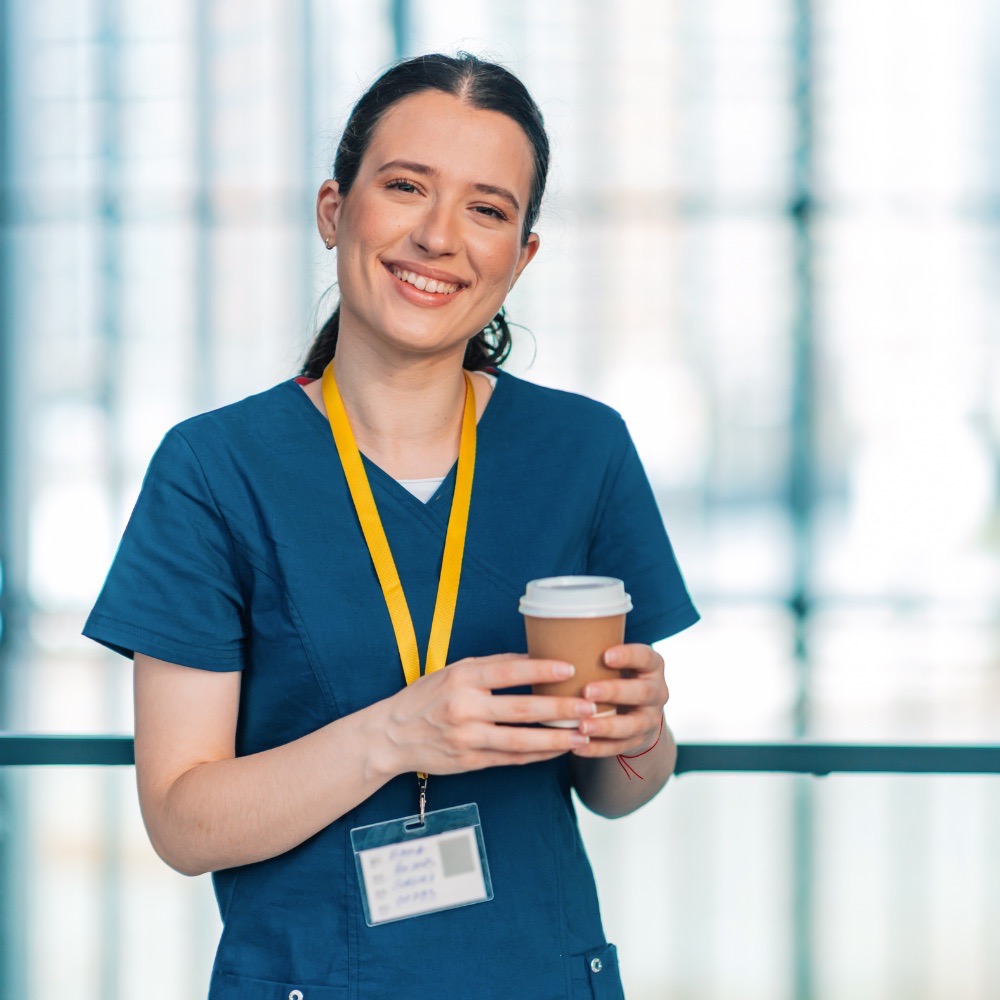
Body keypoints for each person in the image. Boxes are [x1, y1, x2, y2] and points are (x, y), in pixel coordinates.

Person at [84, 52, 699, 1000]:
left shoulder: (585, 450)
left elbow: (618, 791)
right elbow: (181, 821)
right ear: (336, 210)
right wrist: (399, 734)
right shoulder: (214, 469)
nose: (439, 236)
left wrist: (640, 734)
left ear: (521, 256)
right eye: (407, 187)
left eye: (488, 209)